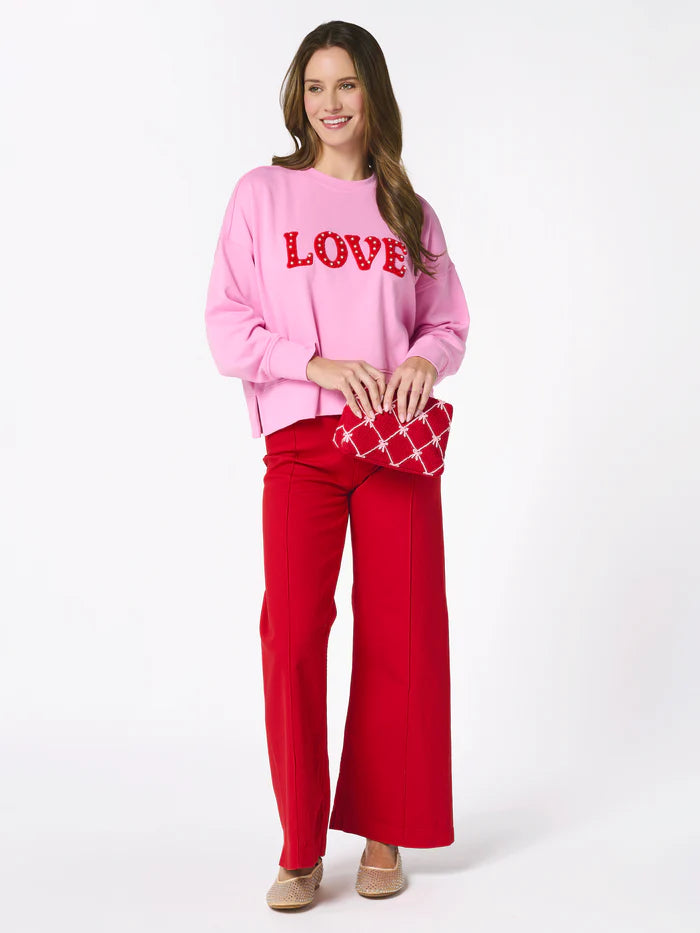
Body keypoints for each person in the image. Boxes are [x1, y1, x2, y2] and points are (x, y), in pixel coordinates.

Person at [204, 20, 470, 910]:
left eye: (347, 84)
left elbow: (446, 321)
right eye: (316, 87)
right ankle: (300, 843)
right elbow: (227, 325)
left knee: (402, 633)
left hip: (395, 442)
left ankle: (384, 831)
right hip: (305, 446)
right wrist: (311, 364)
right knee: (291, 636)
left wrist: (425, 358)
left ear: (372, 94)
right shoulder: (262, 195)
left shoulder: (409, 211)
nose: (331, 103)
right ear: (299, 99)